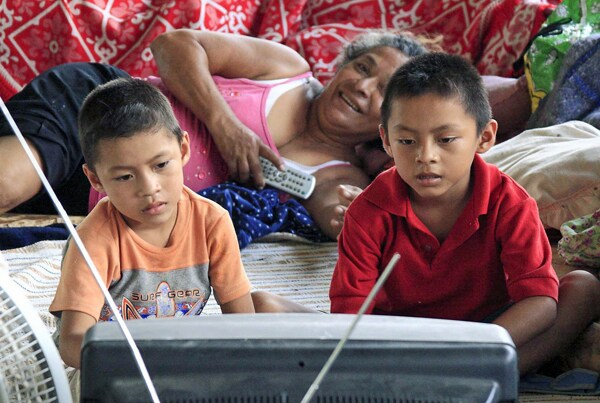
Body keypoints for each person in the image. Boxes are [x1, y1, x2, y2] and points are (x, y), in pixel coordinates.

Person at [0, 30, 434, 240]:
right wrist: (226, 126)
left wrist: (347, 220)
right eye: (363, 68)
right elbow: (174, 45)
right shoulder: (287, 71)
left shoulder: (342, 173)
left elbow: (332, 207)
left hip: (96, 196)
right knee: (7, 184)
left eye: (383, 91)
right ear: (341, 66)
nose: (362, 86)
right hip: (100, 109)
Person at [329, 52, 600, 376]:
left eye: (445, 140)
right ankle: (470, 379)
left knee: (583, 288)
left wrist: (468, 351)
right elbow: (349, 318)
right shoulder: (367, 213)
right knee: (274, 311)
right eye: (407, 140)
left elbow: (539, 302)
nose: (425, 156)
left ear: (484, 137)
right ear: (386, 139)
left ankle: (476, 377)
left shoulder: (510, 203)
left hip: (487, 334)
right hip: (401, 339)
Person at [49, 78, 255, 370]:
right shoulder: (94, 240)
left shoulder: (213, 222)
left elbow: (244, 324)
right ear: (95, 180)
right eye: (124, 177)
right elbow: (72, 343)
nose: (149, 188)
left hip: (177, 362)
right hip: (105, 369)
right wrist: (149, 364)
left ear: (183, 149)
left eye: (160, 165)